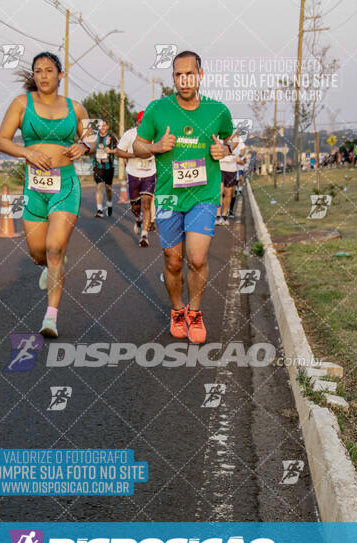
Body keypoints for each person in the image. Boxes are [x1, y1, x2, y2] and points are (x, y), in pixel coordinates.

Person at [133, 50, 233, 344]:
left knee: (198, 258)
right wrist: (155, 147)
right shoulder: (157, 109)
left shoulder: (218, 111)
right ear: (173, 78)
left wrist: (224, 150)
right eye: (178, 74)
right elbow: (138, 145)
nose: (184, 79)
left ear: (200, 75)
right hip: (168, 197)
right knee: (173, 260)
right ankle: (178, 310)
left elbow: (230, 139)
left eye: (190, 73)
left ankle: (195, 312)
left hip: (203, 194)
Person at [0, 51, 95, 338]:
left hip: (65, 186)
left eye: (49, 70)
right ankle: (53, 263)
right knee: (39, 253)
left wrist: (84, 147)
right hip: (34, 187)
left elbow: (91, 134)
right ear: (34, 75)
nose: (43, 75)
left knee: (54, 249)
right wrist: (27, 151)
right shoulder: (20, 104)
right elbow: (2, 140)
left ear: (60, 75)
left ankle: (50, 318)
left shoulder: (75, 107)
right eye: (38, 71)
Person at [117, 110, 156, 247]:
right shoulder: (130, 134)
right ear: (138, 122)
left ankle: (144, 235)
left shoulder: (155, 134)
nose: (144, 124)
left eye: (146, 121)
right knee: (135, 205)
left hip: (150, 173)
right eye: (141, 121)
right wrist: (134, 155)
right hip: (133, 173)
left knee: (146, 201)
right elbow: (119, 151)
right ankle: (137, 218)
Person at [92, 119, 117, 218]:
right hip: (98, 166)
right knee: (99, 186)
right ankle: (99, 210)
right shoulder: (94, 138)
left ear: (107, 127)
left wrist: (110, 151)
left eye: (104, 126)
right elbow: (88, 148)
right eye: (100, 126)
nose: (102, 128)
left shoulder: (111, 137)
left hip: (109, 167)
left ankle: (110, 204)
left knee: (108, 188)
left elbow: (119, 149)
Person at [217, 133, 238, 225]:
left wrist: (232, 136)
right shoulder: (216, 134)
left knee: (228, 193)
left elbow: (233, 146)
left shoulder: (235, 136)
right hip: (219, 167)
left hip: (231, 168)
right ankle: (217, 216)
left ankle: (224, 216)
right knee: (219, 192)